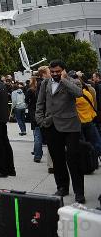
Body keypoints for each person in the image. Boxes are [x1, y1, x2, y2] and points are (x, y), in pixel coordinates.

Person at [36, 60, 85, 203]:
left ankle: (79, 192)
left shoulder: (73, 82)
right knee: (57, 160)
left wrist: (64, 80)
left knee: (73, 159)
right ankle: (62, 187)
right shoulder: (45, 83)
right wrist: (40, 120)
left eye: (58, 71)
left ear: (63, 70)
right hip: (51, 125)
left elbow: (79, 94)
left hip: (71, 126)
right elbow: (40, 103)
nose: (55, 74)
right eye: (53, 72)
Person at [26, 68, 47, 163]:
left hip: (34, 113)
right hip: (43, 112)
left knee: (37, 135)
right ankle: (37, 152)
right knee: (40, 134)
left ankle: (37, 154)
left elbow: (26, 101)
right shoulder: (45, 85)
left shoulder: (31, 90)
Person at [76, 79, 101, 157]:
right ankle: (95, 157)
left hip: (79, 122)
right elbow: (93, 104)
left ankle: (86, 159)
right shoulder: (88, 93)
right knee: (93, 141)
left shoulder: (74, 97)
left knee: (83, 143)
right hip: (89, 120)